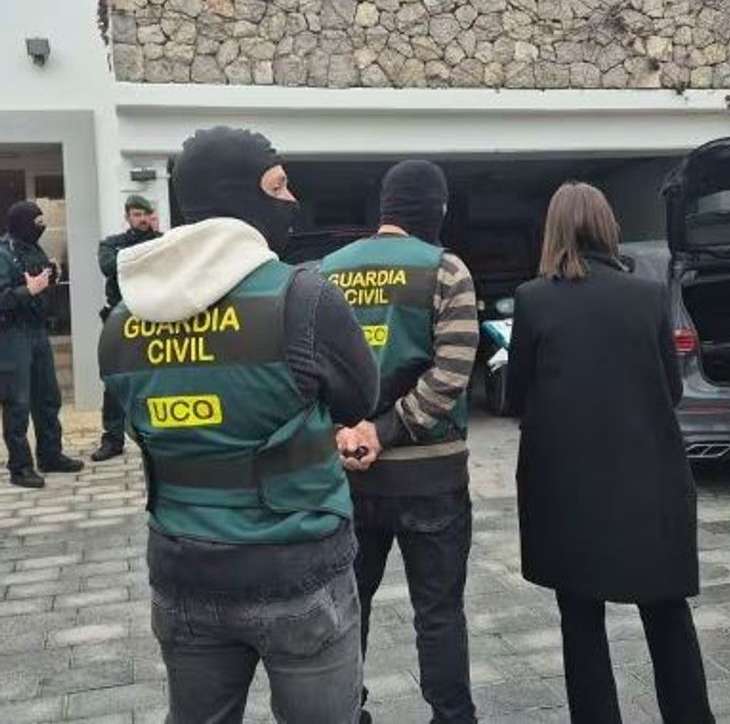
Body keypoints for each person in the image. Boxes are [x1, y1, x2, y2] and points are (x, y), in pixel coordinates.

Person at [99, 127, 379, 724]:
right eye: (278, 186)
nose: (292, 199)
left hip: (182, 570)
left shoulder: (122, 320)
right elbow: (359, 400)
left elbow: (139, 420)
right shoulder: (303, 298)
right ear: (241, 199)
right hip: (297, 570)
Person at [507, 182, 714, 724]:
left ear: (553, 230)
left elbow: (515, 396)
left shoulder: (532, 298)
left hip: (566, 487)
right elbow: (672, 389)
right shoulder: (647, 295)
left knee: (579, 619)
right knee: (666, 611)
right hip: (648, 477)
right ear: (608, 226)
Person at [321, 160, 479, 724]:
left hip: (348, 479)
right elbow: (453, 372)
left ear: (386, 207)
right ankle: (452, 717)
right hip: (432, 478)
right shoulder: (446, 269)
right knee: (439, 614)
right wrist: (388, 429)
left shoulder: (325, 273)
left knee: (347, 610)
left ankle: (348, 713)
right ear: (437, 209)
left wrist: (347, 431)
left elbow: (306, 372)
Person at [0, 200, 83, 488]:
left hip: (37, 332)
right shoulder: (3, 253)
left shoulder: (33, 248)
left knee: (48, 397)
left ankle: (50, 455)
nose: (41, 227)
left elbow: (38, 283)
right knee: (18, 403)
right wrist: (29, 290)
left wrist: (50, 276)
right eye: (36, 223)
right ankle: (20, 467)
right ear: (21, 223)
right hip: (12, 335)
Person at [91, 195, 162, 462]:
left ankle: (160, 437)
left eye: (145, 214)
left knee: (158, 378)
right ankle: (112, 439)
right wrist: (146, 255)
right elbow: (108, 266)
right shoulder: (112, 243)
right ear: (128, 217)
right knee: (115, 379)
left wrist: (139, 254)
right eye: (136, 214)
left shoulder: (163, 241)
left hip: (155, 317)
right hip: (121, 319)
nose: (142, 219)